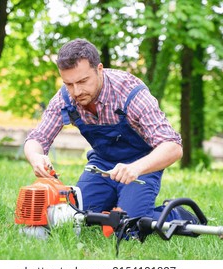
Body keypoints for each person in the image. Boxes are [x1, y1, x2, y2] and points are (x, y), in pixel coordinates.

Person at [24, 38, 183, 221]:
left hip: (140, 166)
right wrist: (35, 157)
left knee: (128, 225)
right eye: (69, 84)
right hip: (102, 164)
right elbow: (37, 138)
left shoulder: (130, 93)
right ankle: (110, 206)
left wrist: (136, 168)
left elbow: (173, 146)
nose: (76, 91)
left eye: (83, 81)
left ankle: (176, 214)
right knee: (75, 217)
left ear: (99, 69)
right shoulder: (65, 98)